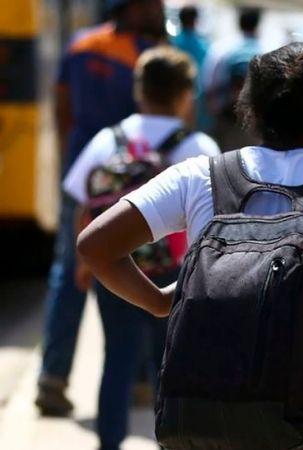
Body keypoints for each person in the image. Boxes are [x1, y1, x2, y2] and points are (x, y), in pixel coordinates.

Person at [76, 42, 303, 449]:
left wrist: (157, 301)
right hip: (300, 418)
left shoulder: (197, 176)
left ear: (252, 110)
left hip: (198, 413)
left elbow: (95, 245)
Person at [63, 46, 220, 450]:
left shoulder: (109, 139)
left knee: (116, 358)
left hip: (117, 270)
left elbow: (84, 203)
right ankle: (167, 441)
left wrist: (85, 265)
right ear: (187, 94)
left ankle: (109, 443)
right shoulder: (198, 146)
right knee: (170, 368)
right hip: (176, 273)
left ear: (139, 91)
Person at [36, 0, 165, 417]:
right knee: (138, 269)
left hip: (83, 172)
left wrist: (68, 165)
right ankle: (140, 382)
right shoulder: (146, 55)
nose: (160, 8)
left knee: (68, 274)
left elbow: (62, 109)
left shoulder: (80, 45)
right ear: (132, 7)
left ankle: (52, 378)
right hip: (130, 183)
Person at [203, 6, 263, 151]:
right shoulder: (266, 50)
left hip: (226, 118)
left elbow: (208, 85)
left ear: (238, 23)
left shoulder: (221, 49)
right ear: (258, 24)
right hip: (255, 121)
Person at [172, 4, 211, 130]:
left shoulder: (172, 43)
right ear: (196, 20)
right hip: (198, 99)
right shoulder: (204, 45)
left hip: (174, 96)